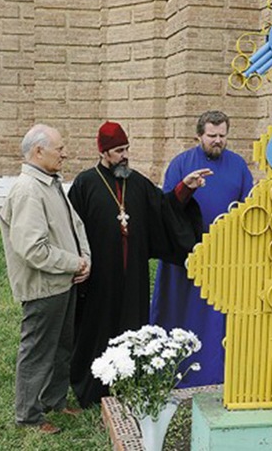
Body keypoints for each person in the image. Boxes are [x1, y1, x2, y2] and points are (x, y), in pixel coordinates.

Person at [68, 120, 211, 407]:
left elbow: (164, 208)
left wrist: (185, 188)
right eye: (119, 151)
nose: (125, 156)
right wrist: (77, 262)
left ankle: (129, 385)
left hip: (132, 276)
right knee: (97, 328)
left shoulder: (137, 182)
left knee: (131, 329)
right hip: (100, 278)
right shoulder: (85, 184)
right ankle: (93, 389)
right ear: (103, 153)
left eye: (127, 149)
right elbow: (69, 228)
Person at [0, 124, 92, 434]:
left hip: (62, 281)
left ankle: (54, 400)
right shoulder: (28, 190)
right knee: (38, 351)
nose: (64, 153)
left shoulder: (50, 184)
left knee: (62, 347)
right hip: (43, 287)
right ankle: (28, 416)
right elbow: (33, 249)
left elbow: (75, 226)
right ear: (38, 151)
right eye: (59, 148)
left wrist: (84, 259)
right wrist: (75, 263)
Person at [150, 110, 253, 387]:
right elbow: (167, 209)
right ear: (199, 136)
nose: (217, 141)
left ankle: (215, 374)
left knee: (216, 317)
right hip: (186, 254)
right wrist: (186, 188)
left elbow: (249, 209)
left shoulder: (238, 166)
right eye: (211, 136)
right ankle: (172, 370)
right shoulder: (181, 164)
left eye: (222, 135)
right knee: (182, 312)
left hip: (224, 256)